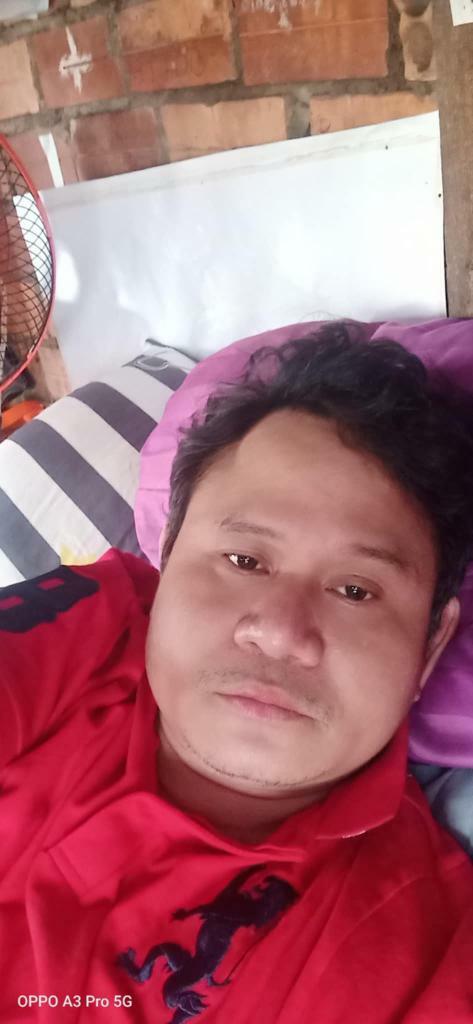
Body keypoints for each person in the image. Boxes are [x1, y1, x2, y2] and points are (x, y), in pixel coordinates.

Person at [2, 322, 473, 1023]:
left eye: (355, 590)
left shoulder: (423, 951)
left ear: (430, 647)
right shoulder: (89, 624)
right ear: (167, 559)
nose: (279, 632)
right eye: (245, 561)